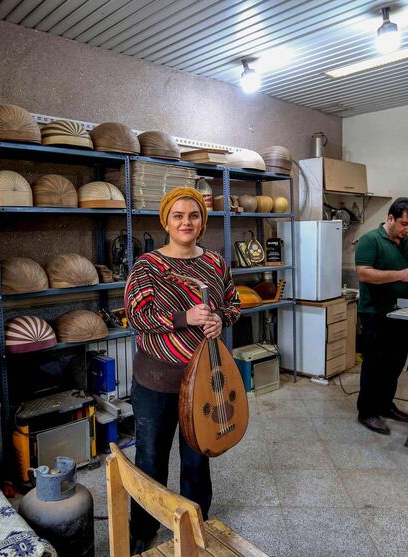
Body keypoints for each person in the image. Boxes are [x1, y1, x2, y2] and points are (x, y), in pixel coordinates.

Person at [124, 187, 241, 552]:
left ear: (202, 222)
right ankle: (143, 533)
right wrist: (184, 317)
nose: (186, 222)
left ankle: (195, 524)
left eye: (193, 216)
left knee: (197, 457)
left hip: (204, 381)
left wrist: (220, 319)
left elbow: (234, 304)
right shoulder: (148, 266)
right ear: (166, 221)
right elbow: (136, 315)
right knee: (149, 461)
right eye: (178, 216)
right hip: (156, 381)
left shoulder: (217, 264)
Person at [354, 197, 408, 434]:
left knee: (395, 363)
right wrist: (399, 275)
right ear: (390, 218)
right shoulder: (370, 240)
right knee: (374, 364)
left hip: (402, 313)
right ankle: (367, 412)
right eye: (403, 223)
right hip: (375, 314)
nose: (407, 229)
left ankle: (386, 405)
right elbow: (364, 274)